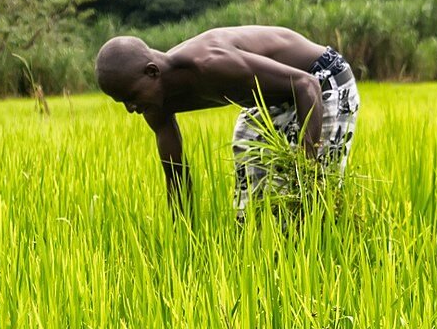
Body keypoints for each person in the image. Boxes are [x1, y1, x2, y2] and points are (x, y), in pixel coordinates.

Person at [94, 26, 360, 216]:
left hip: (322, 79)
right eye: (122, 102)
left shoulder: (210, 63)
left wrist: (306, 170)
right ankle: (259, 249)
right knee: (247, 154)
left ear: (152, 72)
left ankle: (320, 240)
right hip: (270, 99)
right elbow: (176, 174)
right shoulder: (153, 103)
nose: (130, 108)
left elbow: (306, 85)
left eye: (131, 97)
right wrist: (182, 235)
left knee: (312, 193)